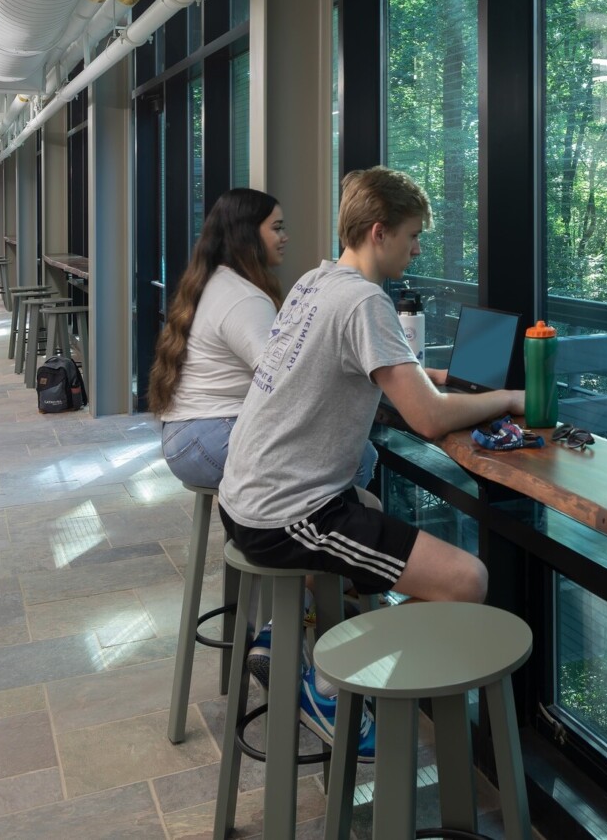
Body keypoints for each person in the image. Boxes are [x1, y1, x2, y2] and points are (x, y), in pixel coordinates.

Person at [218, 166, 523, 760]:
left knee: (373, 507)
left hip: (247, 495)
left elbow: (377, 369)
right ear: (379, 232)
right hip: (286, 513)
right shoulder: (365, 302)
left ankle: (297, 633)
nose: (416, 248)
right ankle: (328, 688)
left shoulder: (317, 282)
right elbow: (429, 419)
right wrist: (511, 399)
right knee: (467, 581)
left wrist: (433, 378)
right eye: (413, 236)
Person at [147, 188, 300, 490]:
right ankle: (285, 536)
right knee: (353, 455)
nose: (286, 237)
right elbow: (280, 381)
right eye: (277, 228)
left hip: (187, 436)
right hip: (209, 438)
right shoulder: (244, 298)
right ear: (247, 234)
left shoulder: (217, 280)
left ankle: (266, 531)